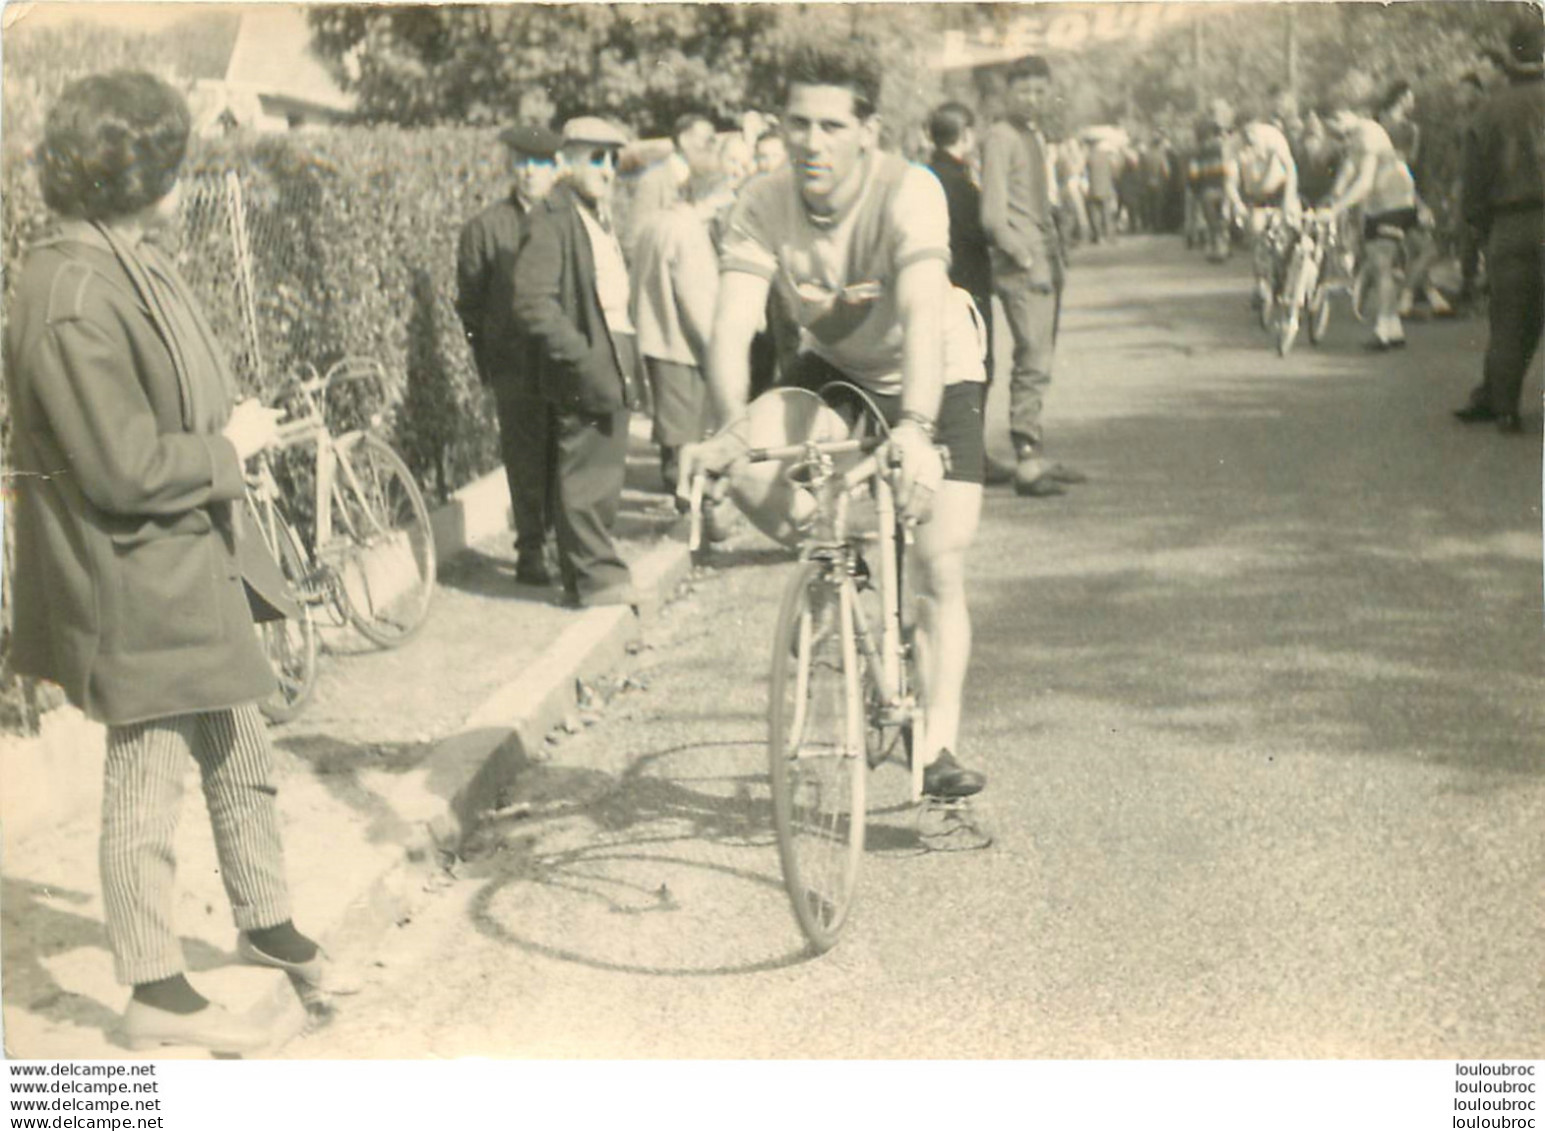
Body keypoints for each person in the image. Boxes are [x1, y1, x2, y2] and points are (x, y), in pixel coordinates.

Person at [3, 72, 350, 1055]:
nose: (185, 171)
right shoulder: (71, 290)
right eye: (172, 155)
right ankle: (154, 986)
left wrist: (231, 433)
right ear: (136, 170)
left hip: (185, 561)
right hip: (134, 575)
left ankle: (266, 922)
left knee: (241, 745)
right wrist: (228, 449)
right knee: (147, 778)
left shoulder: (125, 257)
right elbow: (119, 468)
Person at [681, 43, 989, 799]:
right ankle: (845, 576)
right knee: (749, 462)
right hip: (839, 364)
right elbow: (731, 327)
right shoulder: (761, 201)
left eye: (828, 125)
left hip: (938, 368)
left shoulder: (908, 190)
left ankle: (936, 747)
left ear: (867, 132)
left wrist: (915, 428)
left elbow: (919, 310)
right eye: (796, 124)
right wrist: (726, 432)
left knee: (938, 561)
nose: (809, 142)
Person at [513, 116, 639, 607]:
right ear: (566, 160)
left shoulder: (591, 212)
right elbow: (532, 303)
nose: (608, 169)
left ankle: (592, 573)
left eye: (614, 159)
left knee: (605, 471)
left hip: (612, 353)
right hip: (589, 360)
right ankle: (593, 581)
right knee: (586, 475)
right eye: (597, 157)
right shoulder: (551, 217)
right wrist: (583, 357)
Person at [454, 123, 563, 586]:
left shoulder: (569, 223)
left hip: (563, 360)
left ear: (556, 168)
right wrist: (490, 361)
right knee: (523, 456)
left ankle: (563, 541)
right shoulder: (485, 228)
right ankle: (531, 549)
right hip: (515, 365)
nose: (530, 172)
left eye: (540, 163)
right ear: (511, 167)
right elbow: (472, 303)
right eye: (522, 162)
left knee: (564, 450)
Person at [981, 55, 1086, 498]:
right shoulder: (1001, 138)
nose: (1033, 99)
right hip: (1025, 268)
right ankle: (1026, 462)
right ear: (1008, 93)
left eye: (1040, 91)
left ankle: (1034, 449)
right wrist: (1021, 255)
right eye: (1024, 91)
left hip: (1046, 264)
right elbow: (991, 217)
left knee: (1040, 362)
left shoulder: (1032, 136)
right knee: (1031, 362)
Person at [1453, 17, 1544, 435]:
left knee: (1509, 318)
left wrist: (1477, 226)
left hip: (1510, 223)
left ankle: (1504, 407)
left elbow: (1473, 178)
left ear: (1510, 57)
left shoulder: (1489, 109)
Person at [629, 160, 727, 489]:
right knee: (687, 428)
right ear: (706, 195)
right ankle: (684, 496)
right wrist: (715, 346)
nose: (720, 209)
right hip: (681, 343)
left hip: (654, 337)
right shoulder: (689, 233)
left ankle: (676, 484)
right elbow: (695, 299)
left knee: (671, 424)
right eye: (719, 200)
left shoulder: (656, 223)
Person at [1322, 104, 1420, 350]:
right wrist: (1333, 196)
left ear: (1343, 115)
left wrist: (1335, 209)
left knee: (1382, 265)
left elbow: (1363, 183)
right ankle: (1393, 329)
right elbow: (1348, 170)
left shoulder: (1366, 133)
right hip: (1381, 204)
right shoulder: (1356, 135)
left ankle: (1383, 332)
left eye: (1336, 131)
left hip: (1392, 201)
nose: (1337, 138)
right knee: (1380, 266)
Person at [926, 101, 994, 380]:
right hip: (967, 287)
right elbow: (981, 232)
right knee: (976, 368)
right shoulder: (963, 186)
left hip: (931, 286)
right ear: (965, 134)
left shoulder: (921, 176)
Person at [1376, 80, 1453, 319]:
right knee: (1429, 247)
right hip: (1401, 189)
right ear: (1401, 97)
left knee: (1416, 247)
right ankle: (1406, 298)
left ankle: (1433, 298)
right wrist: (1420, 200)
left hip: (1380, 192)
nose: (1413, 102)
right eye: (1410, 98)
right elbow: (1411, 164)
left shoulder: (1377, 121)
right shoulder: (1410, 129)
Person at [1224, 117, 1300, 312]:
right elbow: (1230, 182)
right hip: (1255, 194)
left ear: (1260, 128)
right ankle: (1261, 284)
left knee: (1289, 233)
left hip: (1280, 189)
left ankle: (1288, 274)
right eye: (1245, 135)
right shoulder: (1232, 145)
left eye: (1253, 134)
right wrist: (1238, 205)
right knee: (1256, 233)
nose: (1250, 140)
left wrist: (1288, 201)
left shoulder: (1273, 137)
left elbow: (1291, 169)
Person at [627, 112, 717, 258]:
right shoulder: (653, 180)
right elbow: (634, 243)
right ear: (684, 140)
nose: (712, 148)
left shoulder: (700, 182)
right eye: (708, 141)